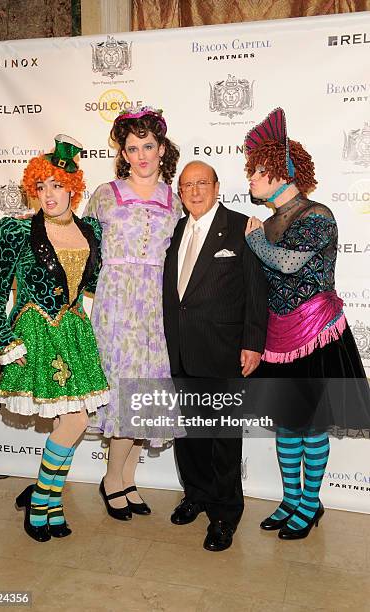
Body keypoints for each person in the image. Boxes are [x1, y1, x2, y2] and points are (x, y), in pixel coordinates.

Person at [244, 107, 370, 540]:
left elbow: (289, 263)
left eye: (259, 172)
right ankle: (291, 498)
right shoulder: (273, 218)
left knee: (312, 423)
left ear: (282, 173)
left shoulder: (318, 215)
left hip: (316, 333)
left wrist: (255, 237)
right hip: (279, 333)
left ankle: (310, 504)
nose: (252, 180)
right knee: (286, 421)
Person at [0, 135, 109, 542]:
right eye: (42, 186)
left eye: (57, 185)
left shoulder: (91, 229)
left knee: (73, 421)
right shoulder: (14, 230)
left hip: (72, 329)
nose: (49, 194)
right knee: (73, 420)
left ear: (73, 186)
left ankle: (46, 498)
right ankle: (42, 502)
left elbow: (93, 282)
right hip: (34, 331)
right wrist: (5, 341)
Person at [83, 106, 183, 521]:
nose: (141, 155)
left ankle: (126, 478)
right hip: (115, 304)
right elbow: (83, 249)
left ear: (162, 149)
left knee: (146, 394)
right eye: (132, 148)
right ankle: (112, 479)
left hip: (156, 306)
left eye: (148, 146)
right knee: (123, 389)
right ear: (122, 153)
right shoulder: (106, 194)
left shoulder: (175, 201)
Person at [162, 160, 267, 551]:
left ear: (217, 185)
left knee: (224, 438)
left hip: (224, 352)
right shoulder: (173, 229)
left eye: (201, 183)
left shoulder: (242, 228)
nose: (194, 191)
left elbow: (258, 293)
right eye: (186, 185)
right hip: (180, 351)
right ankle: (197, 494)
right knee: (188, 435)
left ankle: (225, 514)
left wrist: (254, 342)